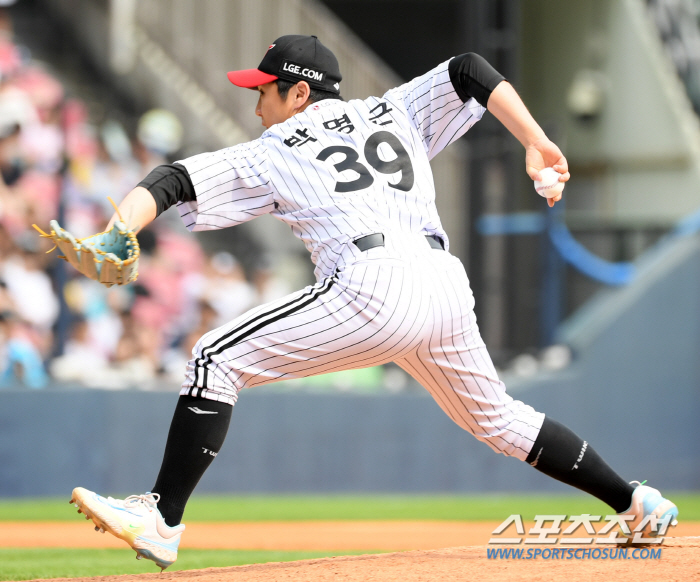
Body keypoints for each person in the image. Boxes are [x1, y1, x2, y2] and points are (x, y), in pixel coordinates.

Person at [69, 35, 678, 570]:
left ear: (299, 95)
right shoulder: (392, 109)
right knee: (498, 419)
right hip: (442, 282)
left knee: (213, 358)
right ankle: (635, 503)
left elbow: (173, 179)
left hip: (373, 285)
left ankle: (162, 519)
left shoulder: (277, 147)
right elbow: (469, 69)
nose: (256, 105)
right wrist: (537, 141)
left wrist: (118, 230)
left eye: (265, 91)